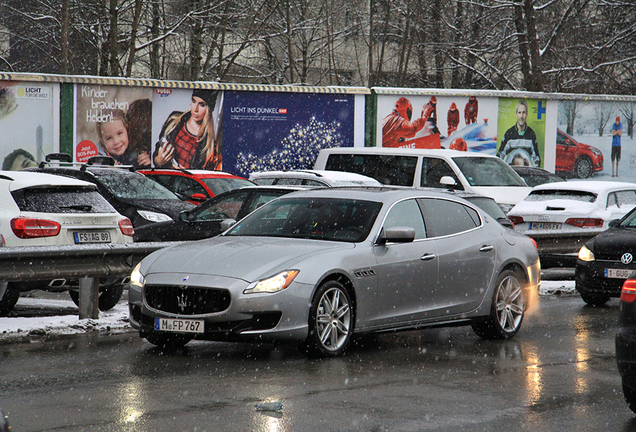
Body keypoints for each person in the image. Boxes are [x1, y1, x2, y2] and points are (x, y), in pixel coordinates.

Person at [153, 89, 221, 170]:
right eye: (194, 101)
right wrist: (159, 162)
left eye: (202, 105)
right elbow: (156, 153)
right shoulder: (174, 121)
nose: (195, 109)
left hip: (185, 181)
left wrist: (186, 174)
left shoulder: (209, 144)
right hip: (165, 179)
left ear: (209, 109)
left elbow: (204, 175)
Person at [496, 100, 541, 167]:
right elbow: (500, 155)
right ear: (516, 114)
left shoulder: (531, 134)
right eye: (519, 113)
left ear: (527, 114)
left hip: (526, 172)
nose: (521, 116)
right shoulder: (509, 134)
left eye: (523, 113)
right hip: (512, 172)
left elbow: (537, 159)